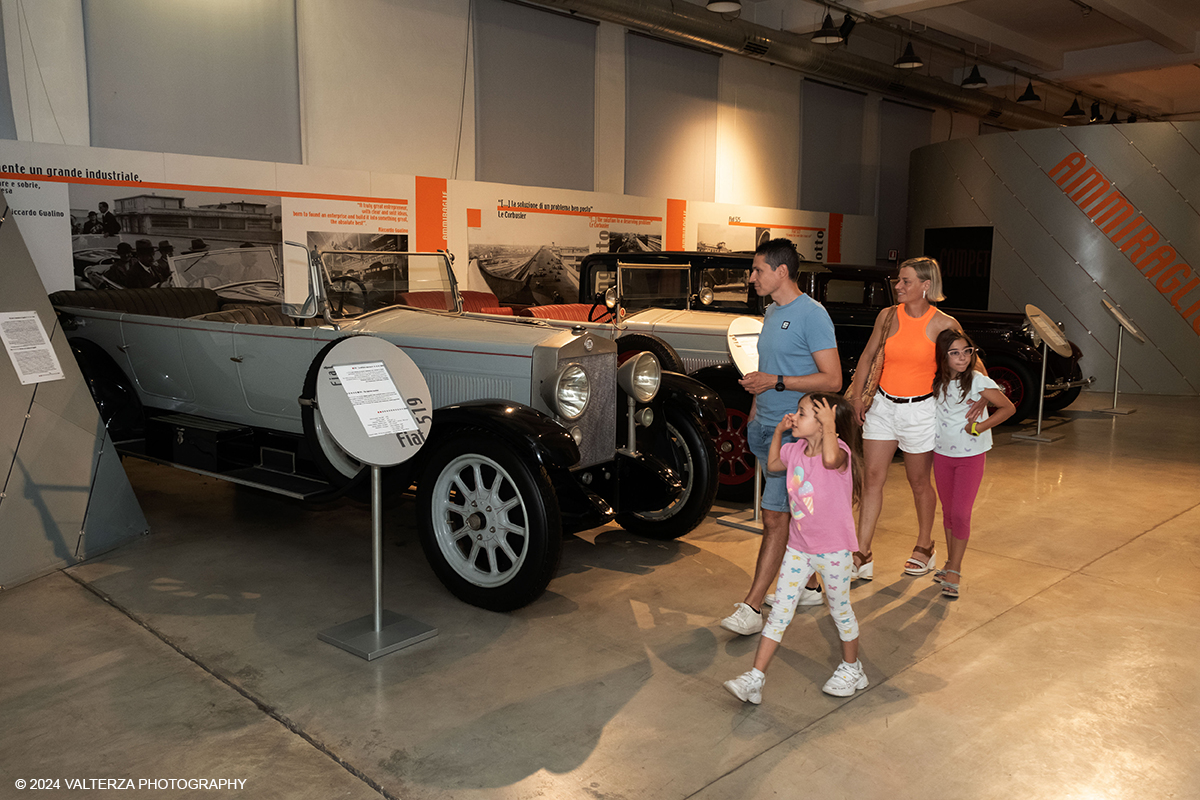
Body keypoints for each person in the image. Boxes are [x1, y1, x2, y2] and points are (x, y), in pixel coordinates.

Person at [719, 238, 841, 636]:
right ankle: (807, 584)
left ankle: (753, 607)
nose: (752, 277)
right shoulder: (771, 311)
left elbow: (833, 379)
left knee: (774, 517)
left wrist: (777, 382)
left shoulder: (813, 315)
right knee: (790, 514)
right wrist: (757, 407)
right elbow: (769, 368)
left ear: (781, 272)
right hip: (766, 428)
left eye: (758, 270)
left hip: (795, 436)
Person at [723, 393, 866, 703]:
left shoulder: (839, 452)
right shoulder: (796, 449)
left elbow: (829, 460)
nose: (795, 416)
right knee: (779, 615)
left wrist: (830, 428)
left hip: (834, 551)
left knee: (840, 611)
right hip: (799, 549)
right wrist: (777, 432)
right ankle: (755, 678)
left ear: (826, 425)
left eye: (802, 413)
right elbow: (774, 464)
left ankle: (852, 668)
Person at [846, 257, 983, 580]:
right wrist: (855, 397)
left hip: (921, 411)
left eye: (906, 281)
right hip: (882, 406)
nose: (898, 286)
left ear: (926, 285)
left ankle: (925, 545)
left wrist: (980, 399)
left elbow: (971, 363)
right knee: (873, 480)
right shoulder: (887, 316)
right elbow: (867, 357)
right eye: (898, 280)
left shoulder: (944, 324)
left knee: (919, 481)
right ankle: (862, 552)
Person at [930, 330, 1014, 599]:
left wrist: (979, 427)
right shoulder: (935, 382)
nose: (963, 357)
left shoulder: (978, 380)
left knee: (962, 513)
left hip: (971, 455)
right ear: (943, 356)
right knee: (949, 512)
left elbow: (1008, 408)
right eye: (955, 352)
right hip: (942, 454)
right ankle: (949, 562)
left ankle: (955, 568)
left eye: (967, 351)